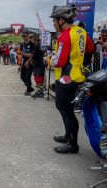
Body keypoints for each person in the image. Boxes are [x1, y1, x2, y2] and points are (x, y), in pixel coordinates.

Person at [50, 5, 87, 154]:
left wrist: (50, 59)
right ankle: (67, 136)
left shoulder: (65, 35)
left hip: (66, 78)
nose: (53, 24)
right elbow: (90, 49)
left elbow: (58, 61)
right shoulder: (81, 31)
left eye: (54, 21)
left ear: (61, 20)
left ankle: (73, 144)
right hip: (76, 76)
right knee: (62, 107)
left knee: (67, 111)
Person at [27, 33, 45, 98]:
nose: (31, 39)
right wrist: (29, 60)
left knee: (38, 79)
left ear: (35, 38)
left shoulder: (37, 45)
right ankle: (39, 92)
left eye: (31, 38)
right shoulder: (38, 45)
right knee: (37, 79)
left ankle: (40, 92)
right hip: (37, 64)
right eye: (30, 38)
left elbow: (31, 55)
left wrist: (22, 53)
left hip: (39, 65)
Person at [20, 30, 35, 95]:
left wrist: (28, 61)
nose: (23, 37)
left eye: (25, 36)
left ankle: (28, 90)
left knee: (27, 76)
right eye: (22, 36)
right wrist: (20, 63)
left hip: (30, 62)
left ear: (28, 35)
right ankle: (30, 87)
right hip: (24, 62)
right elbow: (21, 54)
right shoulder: (22, 44)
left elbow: (33, 54)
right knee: (22, 76)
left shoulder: (32, 43)